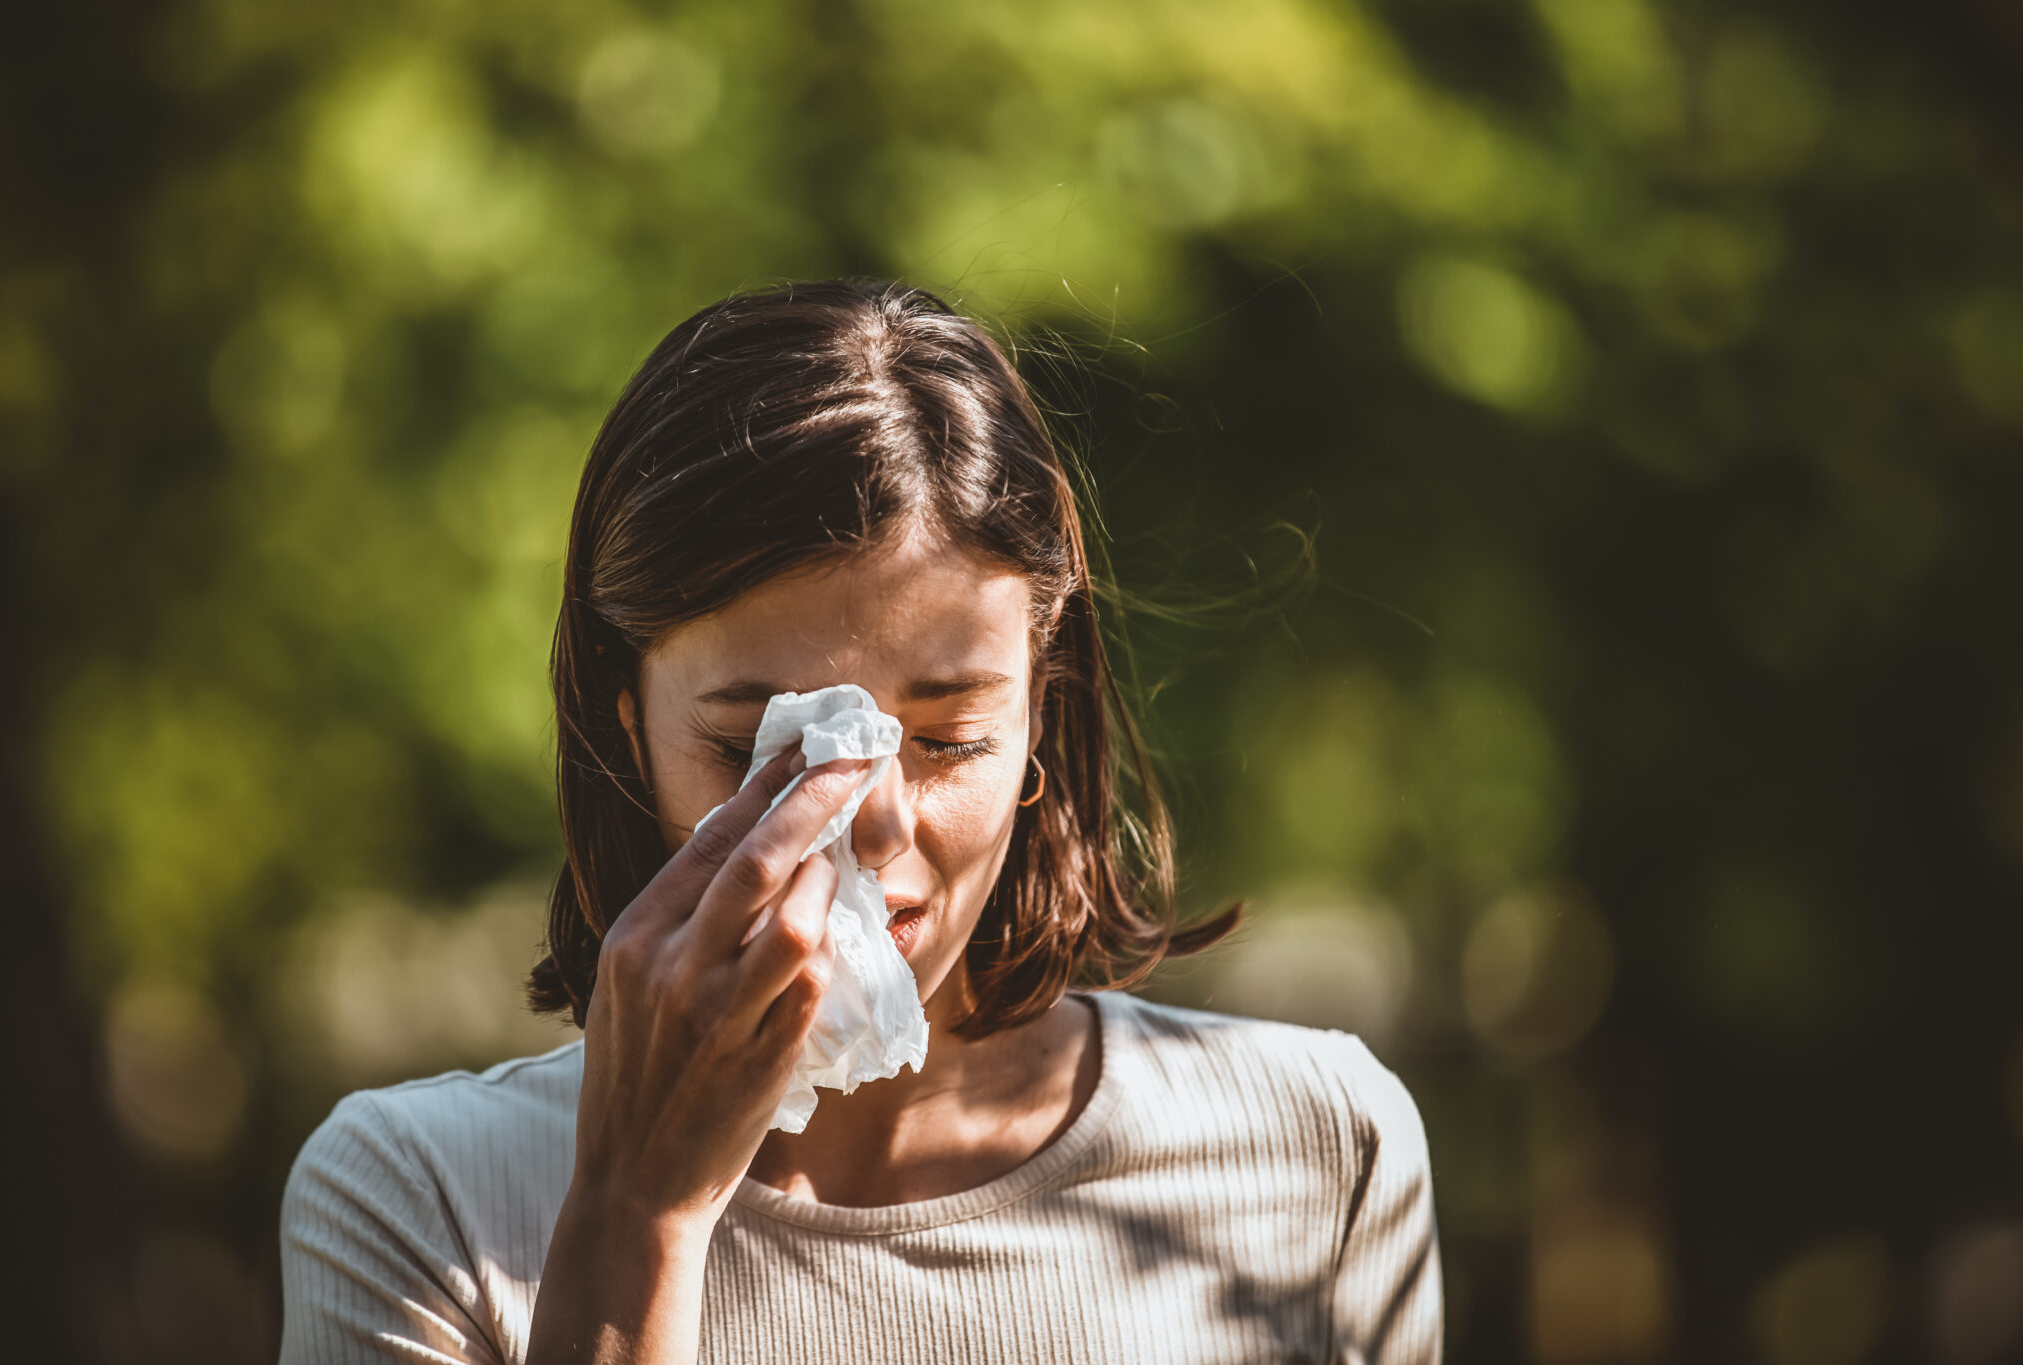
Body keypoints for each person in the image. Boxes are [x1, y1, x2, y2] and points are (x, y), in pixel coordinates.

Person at [277, 278, 1442, 1364]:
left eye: (946, 737)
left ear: (1041, 711)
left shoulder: (1317, 1148)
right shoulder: (423, 1201)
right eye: (759, 748)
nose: (870, 825)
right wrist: (638, 1218)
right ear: (624, 723)